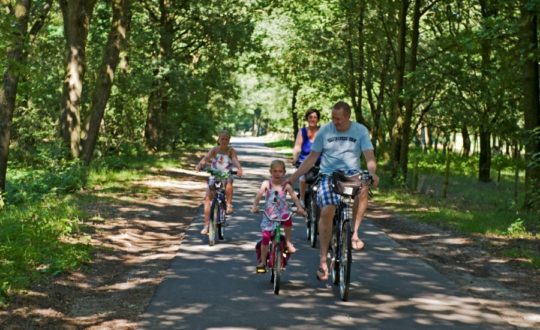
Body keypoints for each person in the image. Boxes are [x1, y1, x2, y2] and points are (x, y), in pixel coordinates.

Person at [285, 101, 379, 281]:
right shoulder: (325, 131)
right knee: (328, 209)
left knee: (364, 187)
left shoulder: (360, 131)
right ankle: (322, 259)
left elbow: (369, 155)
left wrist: (372, 173)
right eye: (333, 118)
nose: (335, 122)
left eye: (339, 119)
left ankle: (355, 233)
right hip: (329, 175)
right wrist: (294, 177)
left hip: (352, 174)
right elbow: (312, 158)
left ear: (348, 117)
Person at [251, 160, 305, 273]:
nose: (277, 173)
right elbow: (259, 195)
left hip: (282, 212)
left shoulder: (286, 185)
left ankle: (289, 242)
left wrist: (299, 208)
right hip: (269, 214)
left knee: (288, 217)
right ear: (270, 172)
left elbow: (294, 197)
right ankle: (263, 261)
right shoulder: (266, 184)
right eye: (275, 171)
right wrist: (255, 206)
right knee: (265, 238)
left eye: (280, 171)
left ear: (284, 172)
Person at [196, 129, 244, 235]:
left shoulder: (231, 151)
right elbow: (206, 158)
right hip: (215, 176)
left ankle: (229, 203)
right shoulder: (214, 150)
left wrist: (239, 168)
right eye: (222, 138)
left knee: (229, 182)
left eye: (226, 139)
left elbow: (235, 159)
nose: (224, 141)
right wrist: (200, 164)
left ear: (229, 140)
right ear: (218, 139)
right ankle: (207, 225)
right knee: (207, 198)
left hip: (226, 175)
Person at [291, 108, 321, 205]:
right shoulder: (302, 131)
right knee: (302, 176)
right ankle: (302, 199)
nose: (312, 119)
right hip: (304, 161)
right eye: (310, 117)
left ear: (318, 119)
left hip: (320, 161)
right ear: (307, 119)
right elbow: (297, 147)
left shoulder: (322, 131)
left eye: (315, 117)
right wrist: (295, 158)